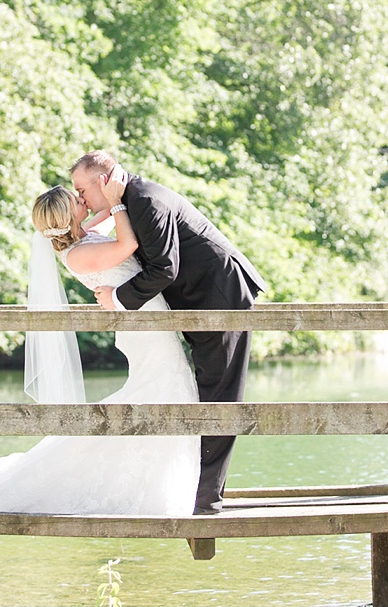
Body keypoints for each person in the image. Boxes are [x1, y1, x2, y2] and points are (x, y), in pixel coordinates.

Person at [0, 185, 200, 515]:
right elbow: (128, 243)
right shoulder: (77, 255)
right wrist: (112, 202)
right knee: (167, 389)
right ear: (66, 216)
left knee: (161, 391)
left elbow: (108, 215)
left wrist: (114, 191)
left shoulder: (83, 237)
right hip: (144, 328)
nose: (82, 200)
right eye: (75, 200)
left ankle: (159, 478)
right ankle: (153, 483)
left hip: (147, 320)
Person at [71, 150, 267, 514]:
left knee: (220, 398)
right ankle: (198, 491)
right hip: (200, 301)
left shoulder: (144, 200)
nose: (80, 199)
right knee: (209, 395)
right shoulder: (130, 201)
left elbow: (165, 269)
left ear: (103, 180)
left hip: (220, 296)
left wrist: (117, 297)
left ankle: (205, 502)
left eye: (82, 190)